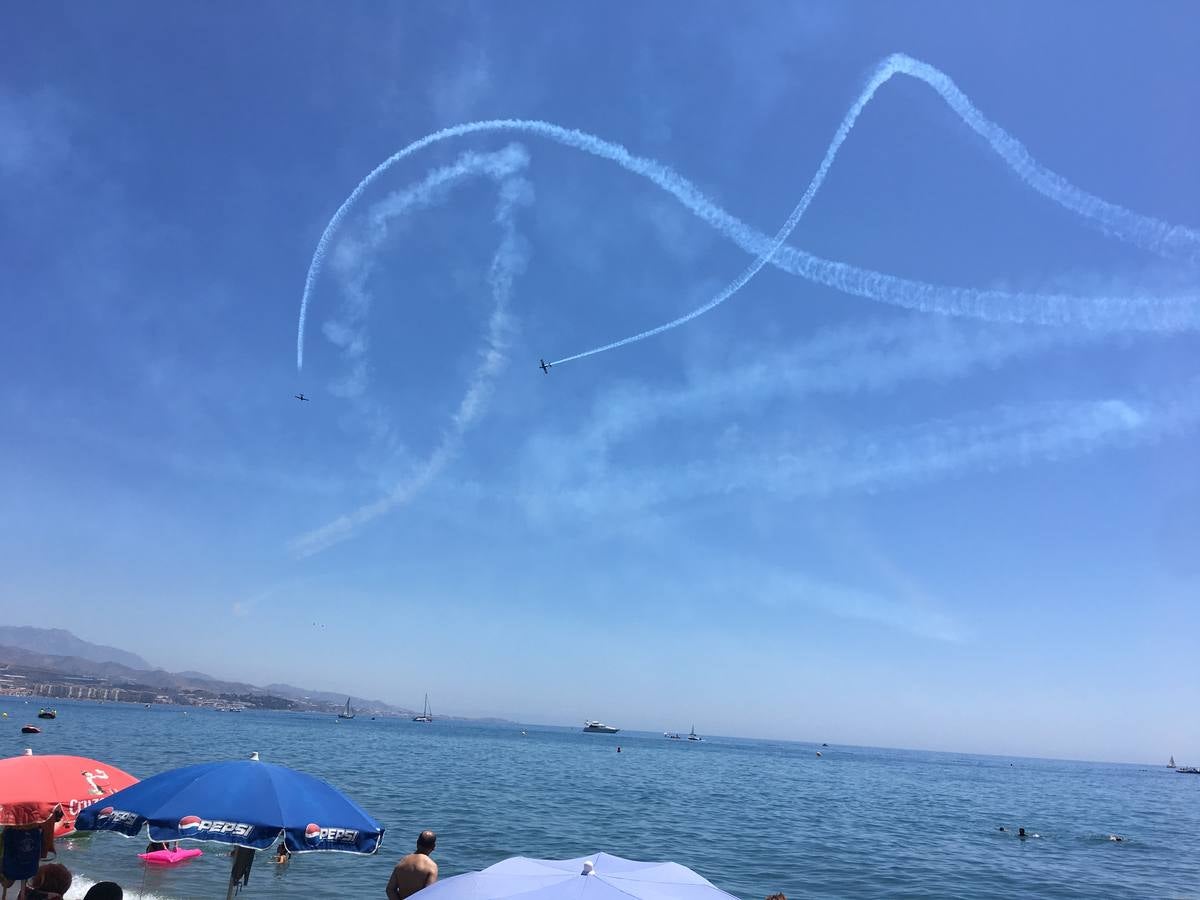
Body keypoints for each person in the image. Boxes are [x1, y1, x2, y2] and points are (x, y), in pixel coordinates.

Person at [386, 831, 438, 900]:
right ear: (434, 847)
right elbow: (428, 894)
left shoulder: (402, 862)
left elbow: (390, 890)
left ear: (417, 843)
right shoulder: (431, 867)